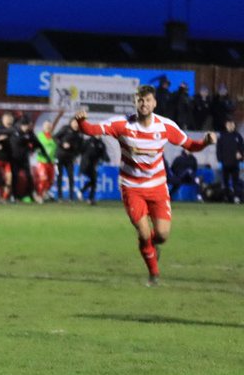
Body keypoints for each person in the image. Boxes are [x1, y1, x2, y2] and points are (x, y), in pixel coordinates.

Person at [76, 84, 215, 285]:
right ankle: (154, 274)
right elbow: (92, 129)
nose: (144, 104)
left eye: (148, 100)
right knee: (142, 232)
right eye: (140, 100)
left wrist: (206, 142)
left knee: (162, 235)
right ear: (135, 102)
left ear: (154, 103)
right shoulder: (122, 124)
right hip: (131, 187)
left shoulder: (165, 126)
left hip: (157, 186)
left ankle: (150, 246)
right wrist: (81, 122)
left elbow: (190, 145)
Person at [53, 117, 83, 202]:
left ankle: (71, 197)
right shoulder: (65, 129)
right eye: (74, 122)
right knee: (59, 176)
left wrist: (76, 155)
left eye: (77, 123)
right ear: (71, 122)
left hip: (70, 158)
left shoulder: (80, 133)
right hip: (60, 157)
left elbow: (80, 147)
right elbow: (55, 137)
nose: (76, 124)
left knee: (71, 177)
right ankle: (59, 197)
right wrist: (62, 143)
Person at [216, 118, 243, 203]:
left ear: (234, 125)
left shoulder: (238, 136)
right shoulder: (221, 136)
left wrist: (241, 155)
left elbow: (242, 148)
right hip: (225, 163)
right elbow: (218, 149)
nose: (230, 126)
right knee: (226, 182)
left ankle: (236, 197)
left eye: (232, 124)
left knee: (236, 182)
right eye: (228, 124)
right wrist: (220, 160)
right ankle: (227, 198)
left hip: (235, 163)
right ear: (226, 125)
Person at [78, 129, 108, 204]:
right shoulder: (88, 141)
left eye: (100, 133)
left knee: (93, 181)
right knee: (93, 180)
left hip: (94, 165)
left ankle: (87, 195)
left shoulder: (101, 144)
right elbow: (81, 150)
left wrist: (106, 159)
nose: (98, 134)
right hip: (86, 165)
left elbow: (104, 155)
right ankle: (88, 196)